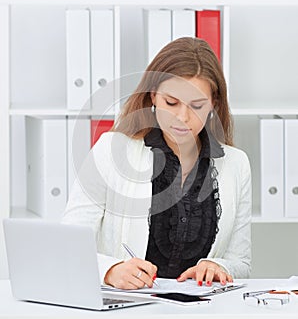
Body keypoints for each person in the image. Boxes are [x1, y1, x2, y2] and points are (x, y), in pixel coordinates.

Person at [62, 37, 252, 291]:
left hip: (203, 310)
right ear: (153, 96)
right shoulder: (111, 149)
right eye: (171, 103)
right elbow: (68, 244)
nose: (182, 118)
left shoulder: (236, 164)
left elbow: (241, 262)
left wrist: (219, 267)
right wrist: (109, 270)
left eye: (196, 105)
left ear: (213, 104)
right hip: (128, 307)